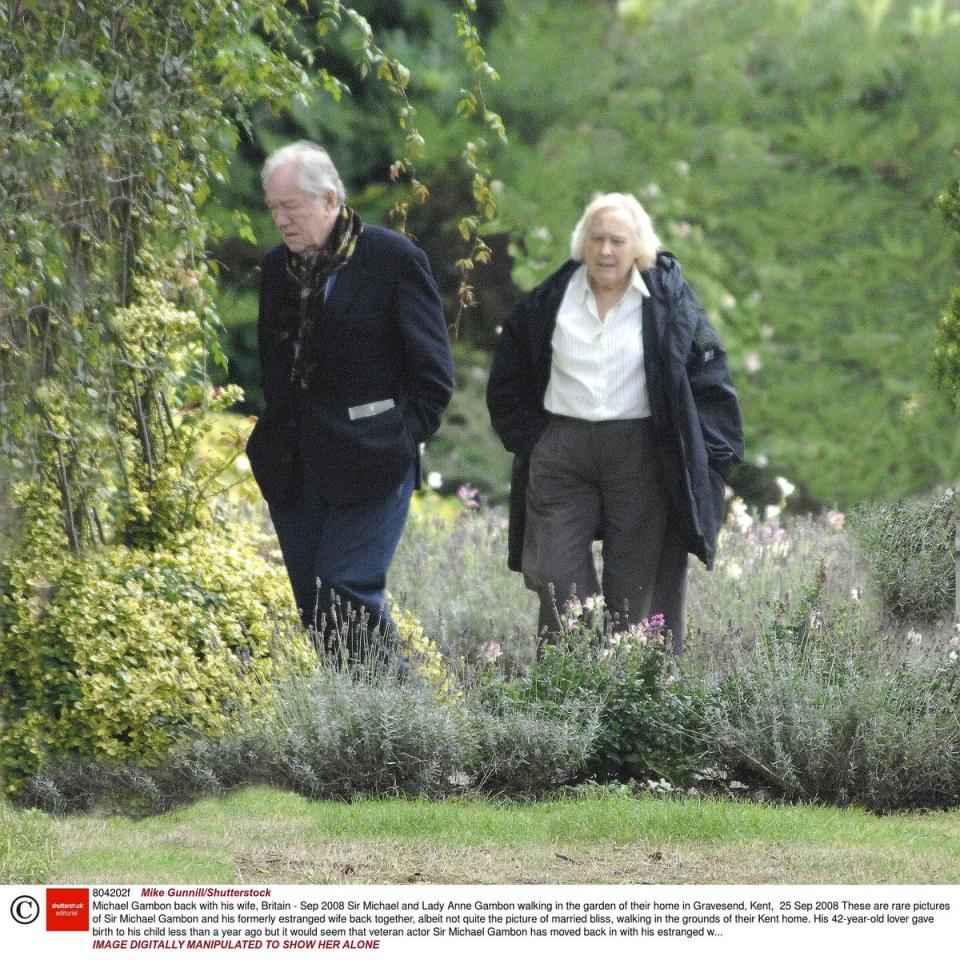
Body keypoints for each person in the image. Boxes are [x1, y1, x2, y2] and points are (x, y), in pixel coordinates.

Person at [486, 193, 743, 654]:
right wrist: (534, 441)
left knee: (633, 590)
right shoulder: (549, 301)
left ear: (639, 248)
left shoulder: (668, 303)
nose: (606, 251)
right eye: (597, 239)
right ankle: (569, 691)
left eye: (617, 241)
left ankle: (628, 694)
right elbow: (508, 378)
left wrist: (713, 459)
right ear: (582, 243)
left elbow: (710, 377)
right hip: (561, 451)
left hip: (639, 451)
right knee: (557, 579)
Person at [246, 141, 454, 656]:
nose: (282, 221)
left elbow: (433, 376)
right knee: (316, 609)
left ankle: (405, 720)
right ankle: (356, 729)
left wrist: (398, 437)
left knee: (347, 588)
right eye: (274, 209)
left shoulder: (391, 259)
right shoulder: (277, 270)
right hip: (296, 465)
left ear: (330, 199)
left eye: (290, 207)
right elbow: (274, 371)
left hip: (373, 458)